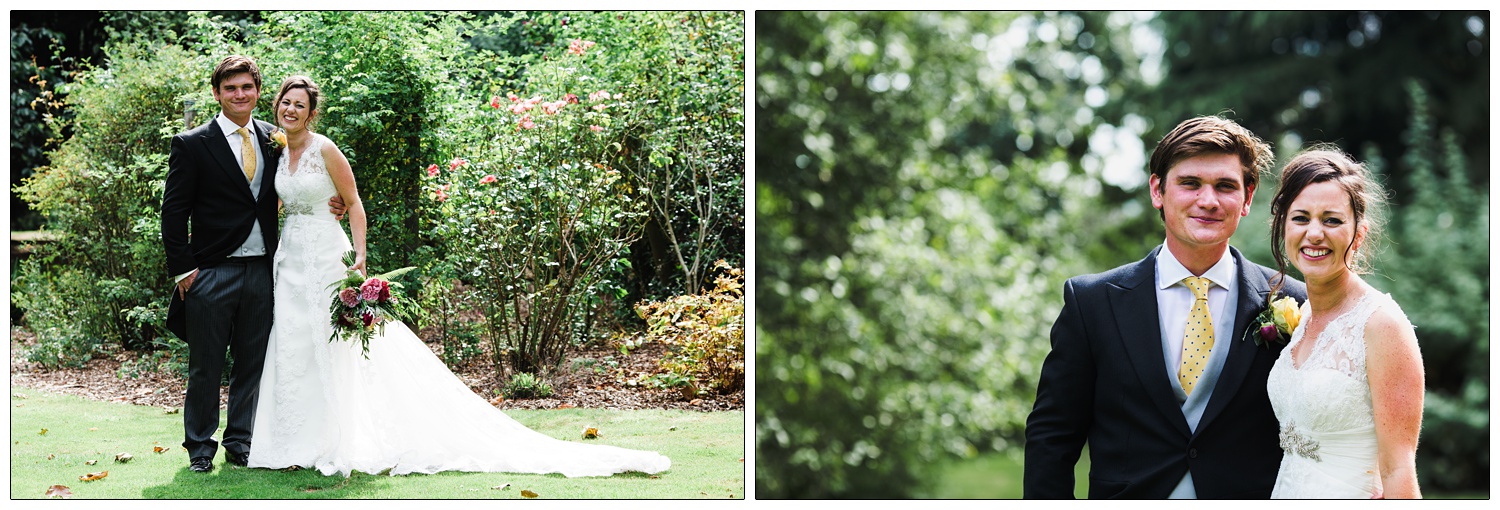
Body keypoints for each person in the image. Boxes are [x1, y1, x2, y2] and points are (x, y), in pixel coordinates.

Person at [245, 75, 670, 477]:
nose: (291, 109)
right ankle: (293, 442)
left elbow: (354, 204)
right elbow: (278, 204)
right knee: (293, 343)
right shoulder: (278, 150)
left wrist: (360, 256)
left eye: (300, 104)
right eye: (286, 102)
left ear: (312, 112)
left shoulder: (326, 150)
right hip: (290, 262)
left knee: (338, 346)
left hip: (327, 257)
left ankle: (338, 437)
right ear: (277, 104)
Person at [1024, 115, 1307, 498]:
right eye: (1190, 183)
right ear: (1158, 190)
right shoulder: (1092, 302)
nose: (1207, 200)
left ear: (1247, 198)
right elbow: (1052, 436)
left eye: (1225, 186)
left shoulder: (1293, 301)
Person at [162, 56, 346, 473]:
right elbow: (173, 213)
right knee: (206, 366)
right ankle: (200, 450)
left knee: (253, 363)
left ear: (258, 92)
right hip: (211, 271)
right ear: (217, 94)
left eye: (247, 87)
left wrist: (329, 203)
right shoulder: (192, 143)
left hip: (265, 270)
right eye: (230, 89)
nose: (239, 94)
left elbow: (298, 185)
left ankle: (241, 443)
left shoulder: (273, 138)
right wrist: (185, 270)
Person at [1264, 148, 1422, 498]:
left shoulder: (1381, 324)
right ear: (1282, 225)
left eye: (1332, 220)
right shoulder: (1301, 317)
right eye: (1301, 218)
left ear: (1359, 233)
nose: (1314, 233)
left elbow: (1398, 468)